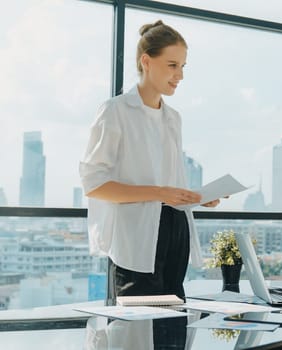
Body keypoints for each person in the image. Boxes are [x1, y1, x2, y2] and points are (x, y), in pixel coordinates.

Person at [79, 20, 220, 305]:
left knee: (173, 329)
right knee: (136, 332)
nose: (179, 75)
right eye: (172, 65)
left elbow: (168, 182)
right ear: (146, 61)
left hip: (175, 228)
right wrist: (160, 193)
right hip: (137, 238)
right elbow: (94, 185)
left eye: (183, 66)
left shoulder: (173, 118)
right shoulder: (115, 111)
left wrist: (194, 197)